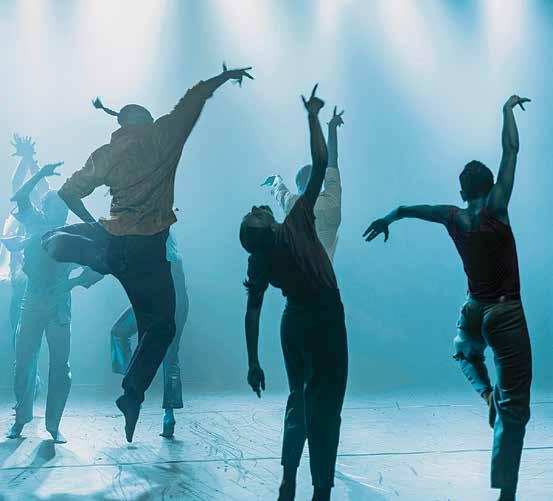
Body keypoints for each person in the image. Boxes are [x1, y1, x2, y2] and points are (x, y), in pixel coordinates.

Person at [41, 63, 254, 442]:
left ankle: (63, 244)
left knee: (57, 239)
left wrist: (92, 224)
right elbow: (192, 100)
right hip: (149, 253)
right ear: (149, 121)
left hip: (113, 242)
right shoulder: (164, 137)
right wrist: (222, 78)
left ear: (122, 125)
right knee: (162, 326)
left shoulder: (107, 152)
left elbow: (68, 193)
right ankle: (133, 393)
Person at [364, 95, 532, 501]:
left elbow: (406, 208)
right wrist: (506, 110)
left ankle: (486, 393)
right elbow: (511, 150)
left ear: (461, 191)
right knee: (514, 407)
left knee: (463, 351)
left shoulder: (451, 215)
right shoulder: (497, 207)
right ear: (490, 187)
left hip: (473, 310)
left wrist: (387, 219)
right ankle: (506, 493)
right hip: (505, 313)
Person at [240, 85, 348, 501]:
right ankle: (321, 488)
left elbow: (252, 313)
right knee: (327, 406)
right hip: (324, 317)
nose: (257, 207)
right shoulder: (299, 221)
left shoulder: (261, 259)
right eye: (255, 214)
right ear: (266, 226)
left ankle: (289, 476)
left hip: (294, 321)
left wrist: (253, 361)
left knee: (298, 399)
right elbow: (322, 163)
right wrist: (314, 118)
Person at [5, 162, 102, 443]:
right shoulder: (34, 222)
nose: (59, 212)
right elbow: (19, 197)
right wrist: (39, 174)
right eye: (54, 207)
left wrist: (71, 283)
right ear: (45, 208)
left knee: (60, 366)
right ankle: (21, 417)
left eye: (63, 208)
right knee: (23, 363)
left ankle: (54, 424)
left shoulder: (75, 234)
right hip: (32, 301)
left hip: (59, 306)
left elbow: (99, 266)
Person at [110, 229, 188, 438]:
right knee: (119, 332)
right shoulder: (154, 238)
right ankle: (136, 387)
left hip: (171, 302)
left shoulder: (161, 242)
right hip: (158, 301)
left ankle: (166, 413)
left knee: (170, 355)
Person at [261, 107, 344, 260]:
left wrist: (275, 180)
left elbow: (280, 190)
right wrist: (332, 129)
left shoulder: (293, 202)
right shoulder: (329, 197)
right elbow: (332, 159)